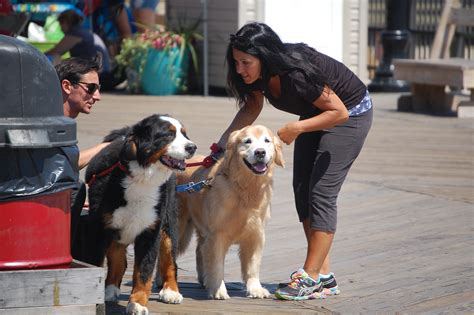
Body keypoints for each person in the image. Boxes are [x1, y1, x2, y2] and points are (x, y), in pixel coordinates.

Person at [219, 22, 373, 300]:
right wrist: (221, 146)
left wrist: (297, 128)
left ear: (264, 58)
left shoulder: (297, 73)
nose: (240, 69)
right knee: (302, 191)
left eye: (246, 62)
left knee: (322, 192)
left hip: (350, 113)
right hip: (317, 113)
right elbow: (252, 107)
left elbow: (339, 113)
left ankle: (310, 275)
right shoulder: (256, 76)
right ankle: (323, 278)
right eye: (236, 62)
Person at [55, 57, 109, 250]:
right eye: (91, 88)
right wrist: (104, 148)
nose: (98, 96)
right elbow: (66, 163)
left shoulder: (61, 119)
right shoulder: (53, 121)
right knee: (77, 189)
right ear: (67, 86)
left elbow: (63, 163)